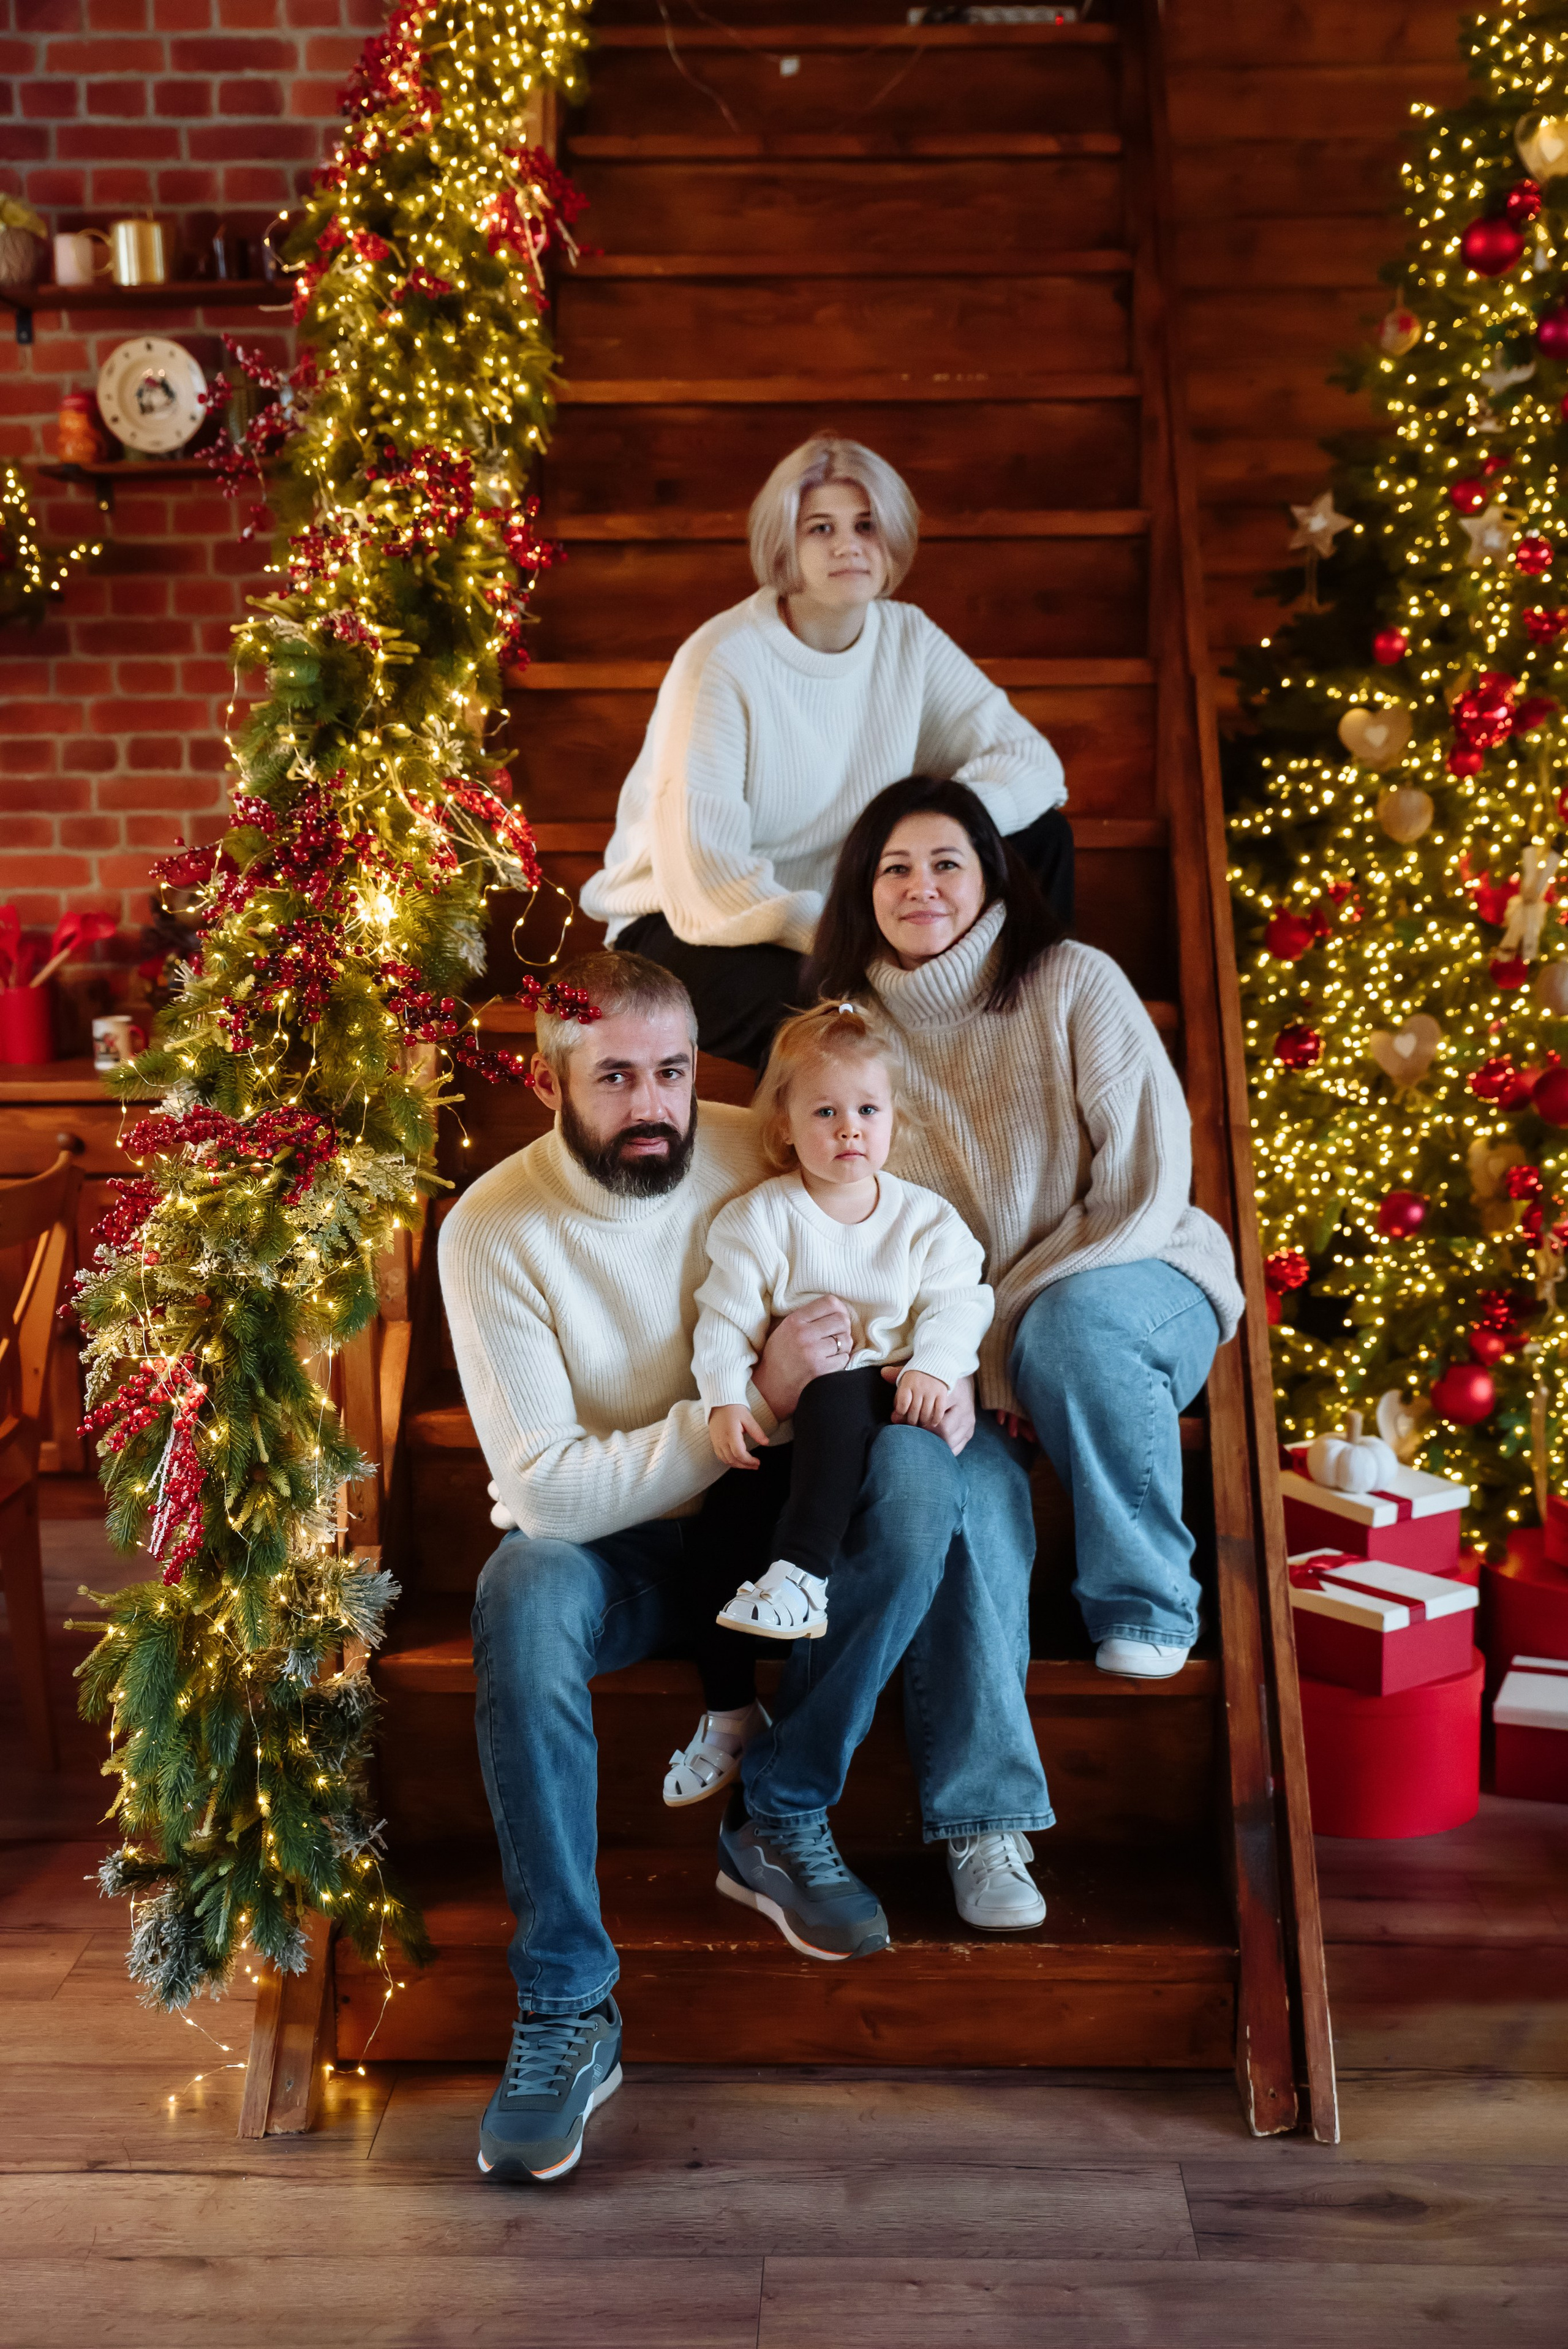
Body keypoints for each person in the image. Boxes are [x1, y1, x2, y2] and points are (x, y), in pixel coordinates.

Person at [439, 948, 1052, 2186]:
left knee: (930, 1479)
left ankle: (777, 1807)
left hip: (776, 1534)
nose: (653, 1103)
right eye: (614, 1077)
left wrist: (931, 1378)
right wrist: (757, 1403)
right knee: (521, 1587)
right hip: (619, 1555)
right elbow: (547, 1491)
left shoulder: (762, 1141)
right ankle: (566, 2001)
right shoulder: (493, 1229)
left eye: (670, 1069)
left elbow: (909, 1254)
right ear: (550, 1080)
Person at [804, 776, 1247, 1682]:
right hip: (974, 1337)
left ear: (993, 878)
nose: (920, 883)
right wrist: (953, 1354)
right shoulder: (851, 1036)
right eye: (895, 867)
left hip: (1140, 1275)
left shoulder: (1074, 979)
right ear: (864, 891)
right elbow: (862, 1225)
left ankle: (1149, 1599)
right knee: (948, 1470)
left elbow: (1143, 1187)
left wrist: (995, 1338)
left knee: (1072, 1327)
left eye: (945, 862)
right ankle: (986, 1807)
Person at [579, 432, 1072, 1069]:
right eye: (820, 528)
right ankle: (881, 1144)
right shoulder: (723, 660)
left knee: (1041, 837)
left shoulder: (908, 639)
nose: (848, 545)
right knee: (831, 1016)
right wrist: (861, 933)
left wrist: (943, 840)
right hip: (694, 926)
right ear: (785, 542)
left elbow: (1031, 761)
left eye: (866, 525)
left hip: (855, 907)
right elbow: (711, 883)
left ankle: (1029, 1031)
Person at [693, 1001, 991, 1657]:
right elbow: (724, 1318)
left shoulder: (926, 1220)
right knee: (722, 1520)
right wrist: (724, 1396)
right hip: (801, 1420)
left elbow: (961, 1301)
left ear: (893, 1119)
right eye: (825, 1112)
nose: (848, 1129)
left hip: (895, 1392)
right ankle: (727, 1711)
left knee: (833, 1394)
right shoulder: (758, 1220)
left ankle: (803, 1573)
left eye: (867, 1110)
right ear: (786, 1126)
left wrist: (935, 1366)